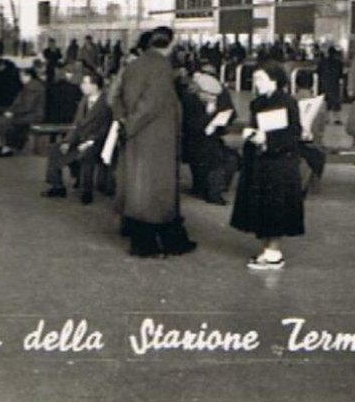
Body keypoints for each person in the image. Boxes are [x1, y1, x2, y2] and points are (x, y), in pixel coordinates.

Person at [113, 26, 197, 258]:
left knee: (140, 189)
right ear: (169, 44)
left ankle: (154, 241)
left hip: (137, 137)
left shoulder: (133, 64)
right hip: (156, 139)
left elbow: (117, 96)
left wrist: (123, 122)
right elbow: (151, 103)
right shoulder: (161, 66)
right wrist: (132, 125)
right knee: (156, 192)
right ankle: (154, 244)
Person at [229, 62, 304, 269]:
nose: (256, 83)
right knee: (264, 207)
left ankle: (273, 252)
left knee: (275, 206)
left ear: (274, 80)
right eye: (254, 79)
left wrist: (268, 140)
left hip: (279, 164)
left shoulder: (287, 102)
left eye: (260, 79)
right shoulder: (257, 103)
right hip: (260, 162)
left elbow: (293, 133)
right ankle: (267, 249)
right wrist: (252, 135)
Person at [42, 67, 112, 202]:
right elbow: (76, 125)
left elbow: (104, 129)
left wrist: (88, 143)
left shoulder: (106, 104)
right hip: (79, 140)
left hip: (96, 143)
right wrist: (68, 141)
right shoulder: (83, 101)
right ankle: (57, 186)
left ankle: (87, 191)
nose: (82, 86)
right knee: (55, 149)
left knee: (87, 154)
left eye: (85, 83)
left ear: (95, 85)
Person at [181, 61, 239, 205]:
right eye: (210, 96)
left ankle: (208, 187)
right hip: (194, 140)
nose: (213, 99)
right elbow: (191, 125)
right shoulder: (189, 99)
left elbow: (231, 112)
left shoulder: (220, 93)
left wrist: (220, 119)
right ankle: (211, 191)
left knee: (220, 157)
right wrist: (209, 115)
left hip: (212, 137)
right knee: (212, 157)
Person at [0, 62, 45, 157]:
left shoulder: (32, 87)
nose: (20, 78)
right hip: (30, 113)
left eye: (22, 76)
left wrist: (12, 112)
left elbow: (27, 106)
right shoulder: (31, 86)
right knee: (4, 120)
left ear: (29, 75)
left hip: (33, 114)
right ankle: (4, 145)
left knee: (8, 121)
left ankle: (7, 147)